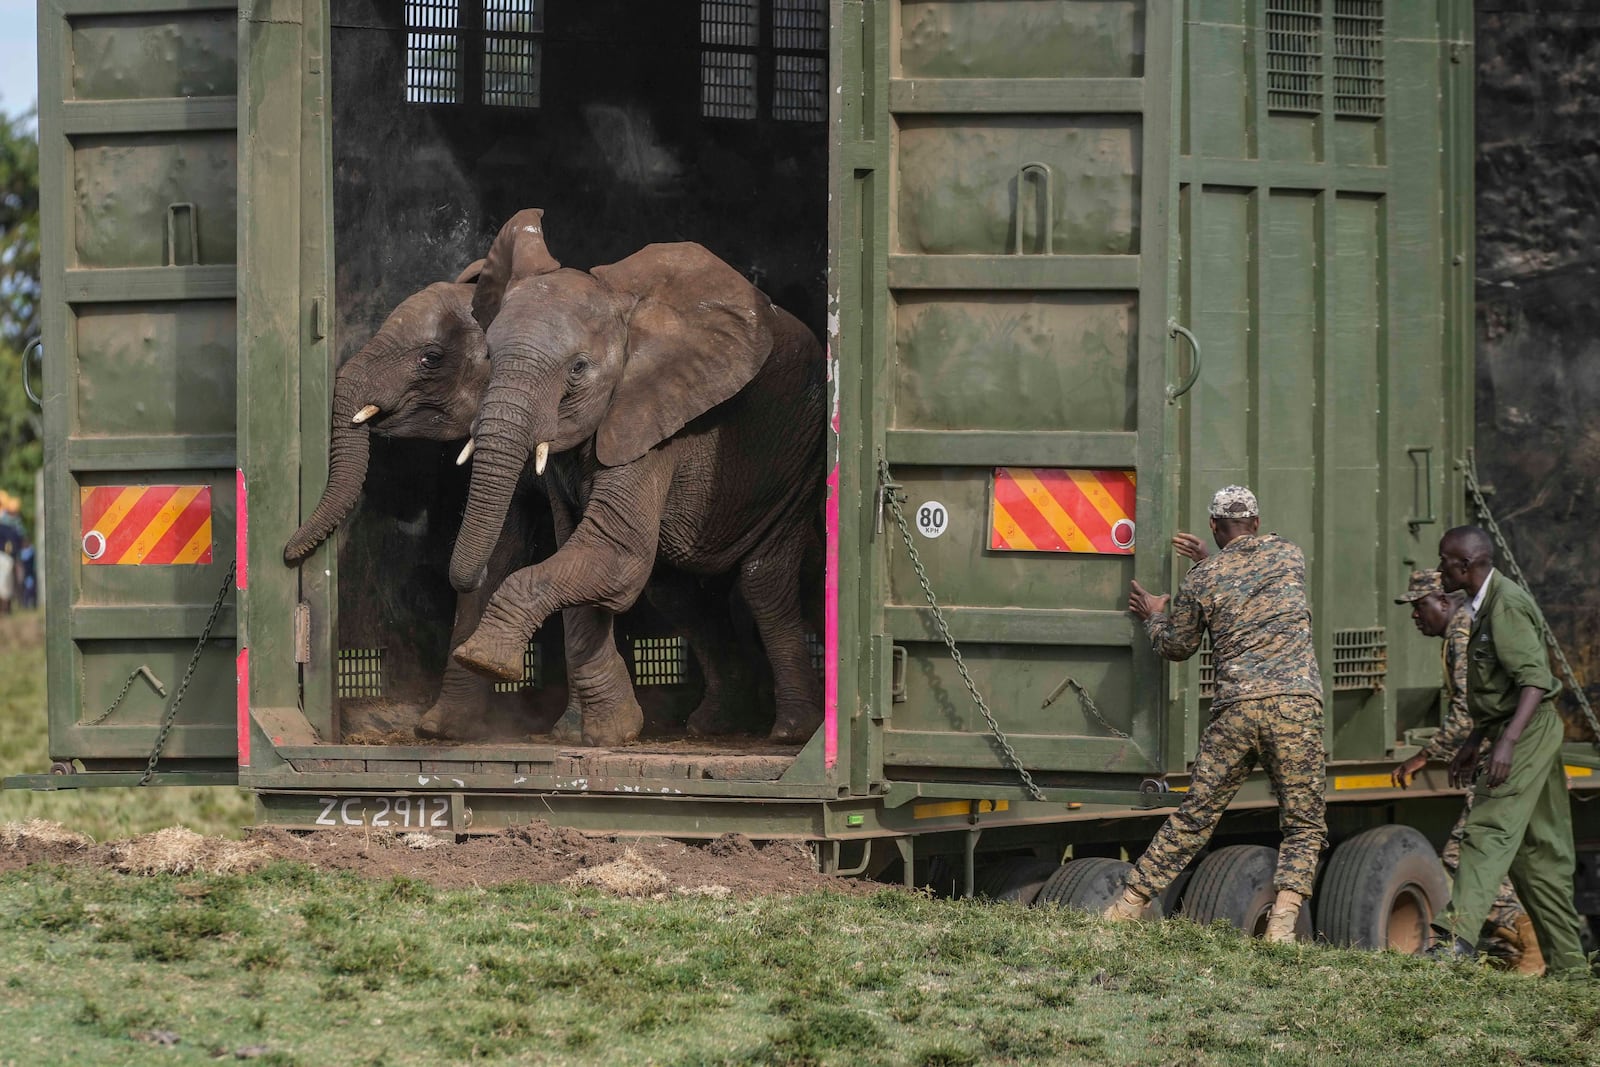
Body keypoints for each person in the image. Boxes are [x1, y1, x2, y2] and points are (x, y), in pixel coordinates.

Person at [1106, 486, 1326, 944]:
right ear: (1257, 523)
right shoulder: (1289, 554)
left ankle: (1126, 908)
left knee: (1196, 815)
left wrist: (1154, 615)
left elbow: (1176, 647)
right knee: (1303, 822)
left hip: (1237, 711)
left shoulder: (1203, 578)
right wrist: (1210, 560)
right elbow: (1250, 573)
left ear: (1213, 525)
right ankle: (1282, 926)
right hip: (1295, 706)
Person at [1425, 526, 1592, 979]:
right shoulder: (1482, 606)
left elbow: (1534, 681)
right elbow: (1496, 689)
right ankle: (1572, 973)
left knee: (1487, 829)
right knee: (1540, 855)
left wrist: (1507, 743)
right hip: (1514, 730)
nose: (1439, 568)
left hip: (1527, 733)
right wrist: (1474, 740)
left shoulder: (1506, 604)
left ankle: (1455, 940)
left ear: (1466, 566)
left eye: (1445, 561)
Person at [1389, 570, 1543, 973]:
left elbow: (1466, 709)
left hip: (1501, 761)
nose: (1415, 617)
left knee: (1464, 855)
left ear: (1443, 601)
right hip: (1498, 756)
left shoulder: (1462, 632)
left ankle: (1528, 939)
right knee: (1490, 855)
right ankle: (1512, 951)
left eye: (1420, 606)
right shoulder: (1467, 627)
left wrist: (1427, 755)